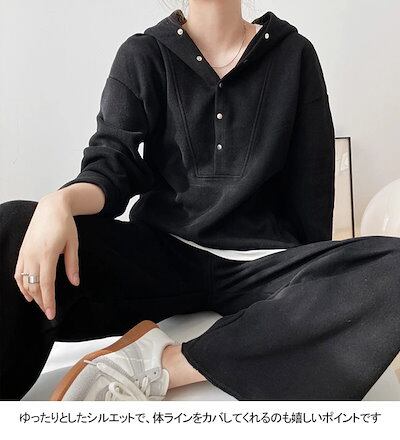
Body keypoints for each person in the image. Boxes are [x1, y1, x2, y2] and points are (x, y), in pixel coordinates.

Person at [1, 0, 400, 401]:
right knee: (15, 225)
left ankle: (163, 366)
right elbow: (112, 164)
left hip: (262, 266)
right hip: (160, 259)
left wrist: (316, 289)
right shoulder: (144, 54)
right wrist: (59, 202)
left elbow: (312, 187)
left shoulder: (294, 54)